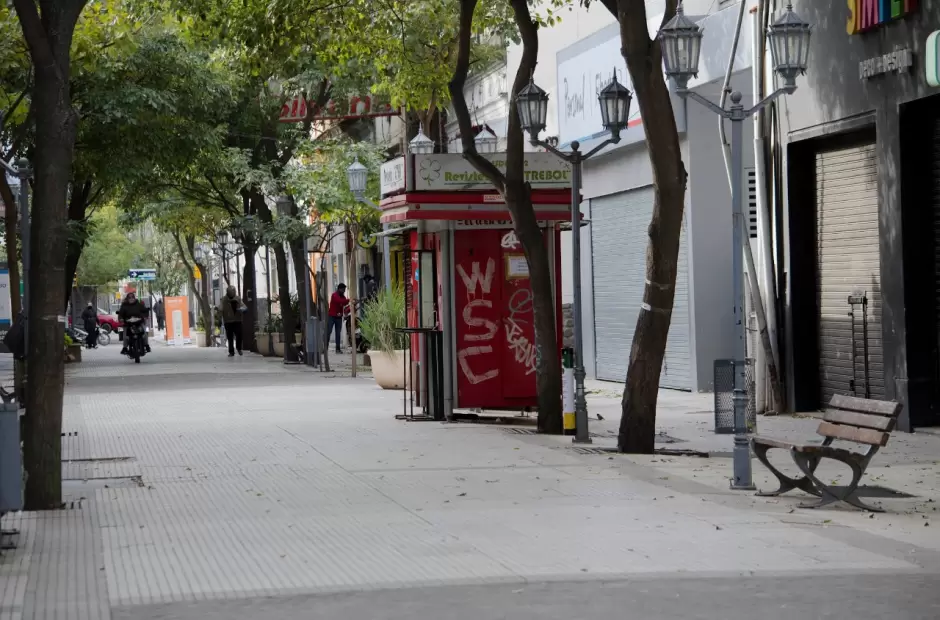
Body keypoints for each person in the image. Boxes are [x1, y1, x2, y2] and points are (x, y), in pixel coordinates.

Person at [217, 285, 247, 357]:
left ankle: (239, 348)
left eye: (234, 292)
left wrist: (242, 309)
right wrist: (219, 319)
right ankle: (231, 352)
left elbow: (244, 306)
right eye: (231, 292)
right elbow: (220, 309)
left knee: (239, 335)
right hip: (228, 321)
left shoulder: (238, 298)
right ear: (228, 292)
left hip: (237, 320)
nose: (233, 293)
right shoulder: (224, 300)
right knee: (230, 337)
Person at [328, 283, 349, 354]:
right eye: (343, 289)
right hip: (332, 316)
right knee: (329, 331)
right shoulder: (334, 295)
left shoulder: (343, 297)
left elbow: (344, 303)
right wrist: (349, 300)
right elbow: (339, 301)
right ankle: (325, 347)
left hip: (339, 317)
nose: (344, 291)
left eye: (344, 290)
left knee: (338, 333)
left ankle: (338, 349)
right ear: (339, 289)